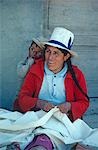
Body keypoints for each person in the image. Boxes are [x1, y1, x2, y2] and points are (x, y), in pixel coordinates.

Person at [14, 27, 90, 149]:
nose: (50, 58)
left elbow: (84, 102)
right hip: (36, 119)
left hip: (62, 122)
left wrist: (69, 106)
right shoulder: (35, 70)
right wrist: (39, 103)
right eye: (48, 51)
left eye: (56, 53)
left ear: (65, 57)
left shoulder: (76, 75)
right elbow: (22, 99)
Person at [14, 38, 45, 110]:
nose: (34, 52)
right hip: (21, 97)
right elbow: (21, 73)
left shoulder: (42, 65)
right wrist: (30, 60)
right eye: (32, 49)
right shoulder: (24, 62)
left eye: (38, 51)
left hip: (35, 99)